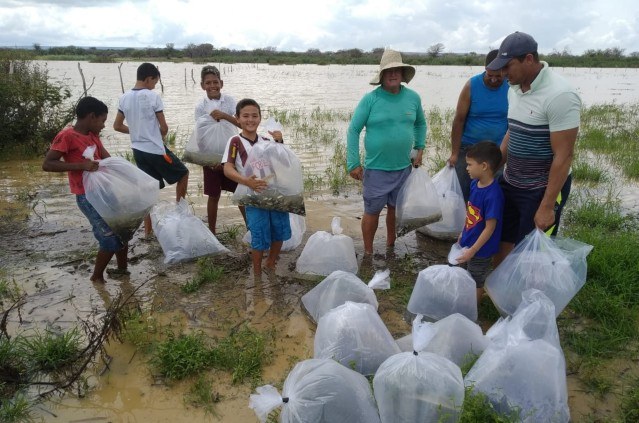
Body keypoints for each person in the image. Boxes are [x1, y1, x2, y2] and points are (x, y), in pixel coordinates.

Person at [486, 32, 581, 265]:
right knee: (503, 238)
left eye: (508, 66)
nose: (502, 73)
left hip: (540, 189)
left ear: (529, 59)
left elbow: (564, 155)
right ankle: (501, 293)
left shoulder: (560, 94)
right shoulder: (514, 88)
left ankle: (530, 298)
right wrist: (492, 171)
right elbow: (512, 132)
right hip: (511, 182)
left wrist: (547, 206)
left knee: (532, 254)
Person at [347, 48, 426, 255]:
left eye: (397, 71)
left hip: (403, 167)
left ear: (402, 74)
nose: (393, 74)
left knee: (394, 208)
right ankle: (368, 251)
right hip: (376, 168)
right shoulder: (370, 99)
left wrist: (420, 147)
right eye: (388, 71)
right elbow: (353, 130)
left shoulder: (413, 98)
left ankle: (391, 245)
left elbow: (420, 124)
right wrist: (353, 162)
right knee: (371, 211)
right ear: (382, 75)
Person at [42, 96, 129, 284]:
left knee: (123, 229)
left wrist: (127, 174)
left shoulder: (93, 136)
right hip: (87, 196)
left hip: (104, 192)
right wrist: (81, 165)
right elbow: (48, 164)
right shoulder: (66, 136)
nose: (104, 125)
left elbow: (106, 159)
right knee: (109, 238)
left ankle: (123, 271)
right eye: (102, 121)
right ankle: (97, 278)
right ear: (91, 116)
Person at [113, 62, 189, 237]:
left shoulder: (124, 98)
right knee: (183, 174)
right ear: (149, 79)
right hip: (155, 149)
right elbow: (164, 127)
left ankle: (148, 232)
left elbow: (117, 126)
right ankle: (181, 214)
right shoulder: (152, 97)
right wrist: (159, 135)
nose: (155, 85)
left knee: (148, 189)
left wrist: (138, 131)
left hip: (138, 151)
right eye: (155, 82)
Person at [222, 99, 291, 276]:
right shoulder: (235, 141)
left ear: (260, 118)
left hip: (273, 193)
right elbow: (228, 168)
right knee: (258, 235)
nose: (250, 120)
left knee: (279, 230)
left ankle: (271, 263)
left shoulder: (267, 141)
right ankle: (258, 274)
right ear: (237, 118)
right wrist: (246, 181)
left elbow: (283, 162)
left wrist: (280, 141)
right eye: (245, 116)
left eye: (254, 116)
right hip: (252, 196)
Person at [448, 49, 509, 202]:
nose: (494, 80)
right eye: (490, 75)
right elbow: (459, 120)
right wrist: (454, 154)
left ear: (505, 71)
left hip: (496, 153)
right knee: (462, 194)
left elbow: (514, 124)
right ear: (485, 69)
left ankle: (486, 225)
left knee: (490, 195)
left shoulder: (511, 88)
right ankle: (464, 224)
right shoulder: (471, 85)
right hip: (468, 150)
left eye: (498, 76)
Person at [194, 65, 244, 233]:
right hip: (211, 157)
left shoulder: (229, 101)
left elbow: (241, 123)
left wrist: (224, 115)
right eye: (208, 83)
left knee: (240, 192)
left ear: (221, 83)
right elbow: (200, 136)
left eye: (215, 82)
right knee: (213, 195)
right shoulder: (201, 107)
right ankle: (212, 232)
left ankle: (251, 229)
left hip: (231, 154)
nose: (212, 86)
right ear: (202, 85)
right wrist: (208, 161)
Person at [455, 142, 504, 305]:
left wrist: (474, 250)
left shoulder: (493, 195)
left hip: (482, 249)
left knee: (476, 278)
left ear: (484, 166)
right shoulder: (475, 184)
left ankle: (472, 311)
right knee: (462, 273)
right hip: (468, 240)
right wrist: (463, 232)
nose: (466, 168)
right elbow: (471, 212)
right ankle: (462, 301)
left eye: (469, 164)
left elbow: (490, 227)